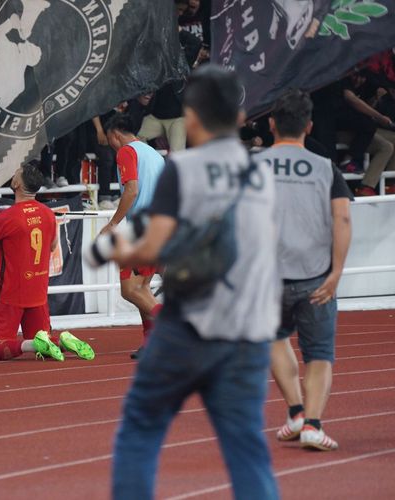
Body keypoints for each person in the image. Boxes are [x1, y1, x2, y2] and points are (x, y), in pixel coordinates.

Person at [109, 65, 280, 499]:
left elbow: (156, 247)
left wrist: (120, 250)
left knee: (141, 429)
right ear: (240, 119)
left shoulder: (182, 169)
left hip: (188, 330)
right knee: (247, 449)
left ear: (192, 119)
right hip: (246, 330)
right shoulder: (260, 175)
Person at [254, 89, 352, 451]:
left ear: (271, 124)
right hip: (314, 276)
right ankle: (312, 424)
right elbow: (341, 217)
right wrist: (336, 272)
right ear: (309, 127)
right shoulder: (326, 168)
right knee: (319, 353)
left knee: (273, 339)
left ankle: (295, 411)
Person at [0, 161, 95, 363]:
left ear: (18, 185)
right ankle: (61, 342)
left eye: (16, 173)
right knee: (44, 341)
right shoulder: (48, 214)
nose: (13, 175)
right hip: (38, 293)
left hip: (10, 295)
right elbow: (51, 246)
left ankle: (31, 345)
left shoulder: (5, 218)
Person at [101, 113, 164, 359]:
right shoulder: (155, 154)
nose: (110, 145)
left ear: (115, 134)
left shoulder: (127, 152)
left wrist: (113, 222)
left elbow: (132, 189)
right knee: (142, 287)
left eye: (109, 140)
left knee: (129, 289)